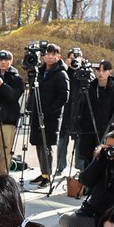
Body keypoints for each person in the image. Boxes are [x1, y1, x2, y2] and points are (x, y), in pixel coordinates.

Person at [67, 59, 114, 171]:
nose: (100, 73)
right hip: (89, 130)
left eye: (104, 70)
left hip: (107, 130)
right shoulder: (89, 87)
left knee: (106, 161)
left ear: (109, 72)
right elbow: (81, 108)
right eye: (98, 70)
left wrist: (112, 128)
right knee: (88, 161)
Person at [28, 44, 69, 185]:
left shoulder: (61, 73)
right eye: (48, 54)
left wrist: (50, 110)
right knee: (39, 144)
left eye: (54, 54)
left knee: (46, 145)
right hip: (37, 114)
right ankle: (43, 172)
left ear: (59, 56)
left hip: (50, 116)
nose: (50, 57)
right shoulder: (40, 71)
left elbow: (64, 96)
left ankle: (48, 175)